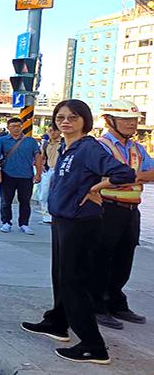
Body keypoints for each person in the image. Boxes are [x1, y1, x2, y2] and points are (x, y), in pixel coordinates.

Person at [21, 99, 136, 365]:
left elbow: (124, 174)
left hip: (80, 223)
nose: (65, 122)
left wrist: (96, 188)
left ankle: (93, 346)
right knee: (61, 276)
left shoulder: (88, 148)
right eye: (60, 117)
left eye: (73, 117)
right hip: (62, 219)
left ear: (85, 121)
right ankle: (57, 322)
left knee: (74, 282)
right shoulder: (67, 147)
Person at [91, 100, 153, 330]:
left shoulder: (137, 148)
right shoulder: (100, 146)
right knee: (101, 258)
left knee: (124, 258)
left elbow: (152, 172)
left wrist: (131, 177)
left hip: (131, 211)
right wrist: (137, 176)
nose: (131, 124)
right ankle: (97, 306)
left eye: (134, 120)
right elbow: (103, 177)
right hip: (107, 208)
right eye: (125, 119)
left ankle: (116, 302)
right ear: (109, 121)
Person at [0, 117, 44, 234]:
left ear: (22, 127)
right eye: (13, 126)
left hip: (26, 176)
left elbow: (38, 157)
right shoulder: (2, 141)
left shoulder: (31, 141)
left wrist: (38, 173)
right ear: (8, 128)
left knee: (25, 202)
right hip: (7, 175)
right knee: (6, 201)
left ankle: (24, 224)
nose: (16, 128)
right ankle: (6, 222)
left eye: (18, 126)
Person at [38, 124, 63, 224]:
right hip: (48, 171)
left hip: (60, 172)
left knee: (58, 194)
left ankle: (56, 215)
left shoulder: (64, 143)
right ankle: (46, 216)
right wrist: (41, 165)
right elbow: (41, 156)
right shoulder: (45, 144)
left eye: (55, 130)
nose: (52, 133)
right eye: (50, 131)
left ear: (60, 131)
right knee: (44, 195)